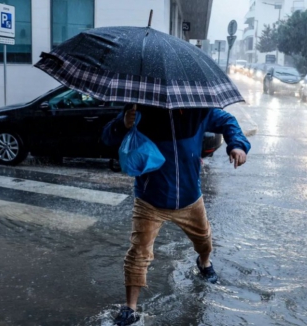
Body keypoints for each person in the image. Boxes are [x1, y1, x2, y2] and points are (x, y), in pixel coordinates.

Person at [103, 104, 250, 326]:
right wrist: (123, 124)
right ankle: (130, 308)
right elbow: (107, 138)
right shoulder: (139, 109)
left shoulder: (198, 110)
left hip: (190, 198)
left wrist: (237, 145)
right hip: (150, 199)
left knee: (204, 240)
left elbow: (228, 121)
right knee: (138, 253)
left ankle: (204, 262)